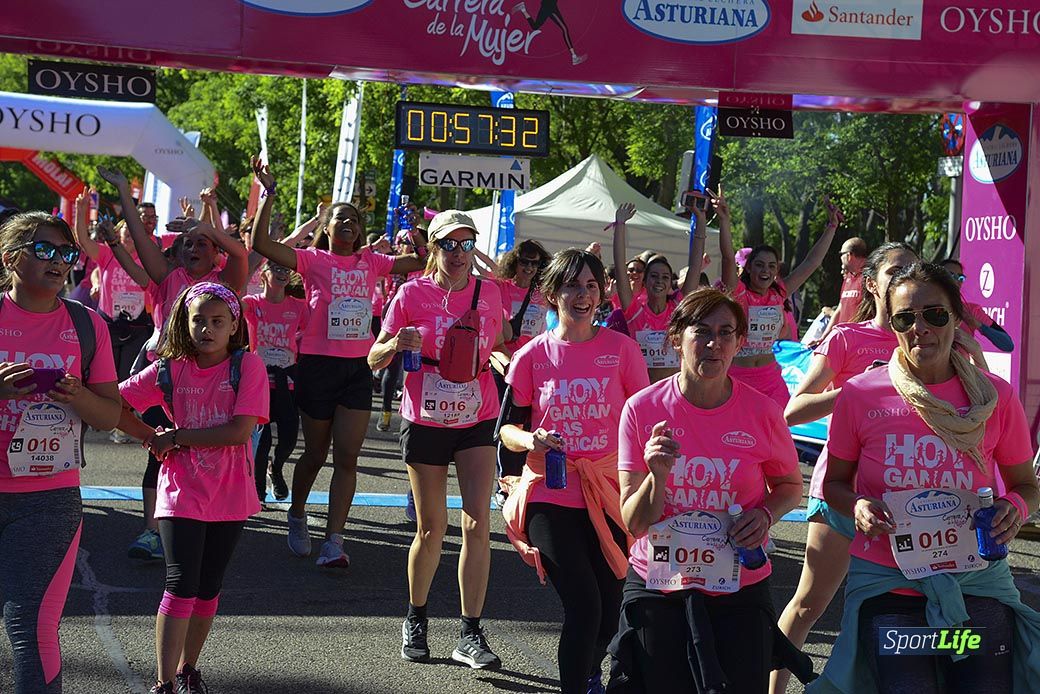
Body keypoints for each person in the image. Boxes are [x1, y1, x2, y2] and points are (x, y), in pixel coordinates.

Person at [813, 261, 1040, 693]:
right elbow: (834, 484)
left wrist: (1016, 507)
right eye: (905, 318)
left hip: (977, 584)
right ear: (892, 324)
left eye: (934, 314)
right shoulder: (861, 393)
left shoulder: (994, 396)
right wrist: (857, 505)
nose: (921, 328)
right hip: (891, 587)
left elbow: (1027, 485)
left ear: (956, 316)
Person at [610, 288, 804, 692]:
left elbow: (788, 486)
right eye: (702, 331)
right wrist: (657, 476)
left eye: (726, 332)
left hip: (739, 584)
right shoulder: (642, 409)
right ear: (676, 337)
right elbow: (634, 522)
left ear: (740, 342)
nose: (714, 344)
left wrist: (765, 515)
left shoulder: (762, 412)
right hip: (659, 582)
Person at [249, 158, 426, 567]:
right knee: (315, 453)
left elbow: (420, 260)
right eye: (339, 219)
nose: (348, 223)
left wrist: (413, 224)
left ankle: (334, 542)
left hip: (357, 369)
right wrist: (269, 194)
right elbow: (261, 244)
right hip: (317, 367)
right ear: (326, 229)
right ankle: (297, 513)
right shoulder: (313, 260)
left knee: (348, 456)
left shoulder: (372, 262)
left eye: (354, 220)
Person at [498, 248, 649, 693]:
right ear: (552, 293)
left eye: (590, 285)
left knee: (610, 604)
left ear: (601, 291)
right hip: (551, 490)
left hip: (609, 492)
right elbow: (506, 429)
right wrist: (532, 441)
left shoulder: (621, 350)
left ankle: (587, 672)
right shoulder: (531, 356)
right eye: (571, 285)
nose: (582, 295)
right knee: (583, 605)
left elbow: (641, 419)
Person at [771, 241, 918, 694]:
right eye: (895, 271)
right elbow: (793, 411)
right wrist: (856, 388)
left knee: (903, 612)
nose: (904, 277)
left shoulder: (927, 335)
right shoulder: (847, 338)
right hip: (842, 490)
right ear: (871, 284)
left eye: (912, 270)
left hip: (905, 495)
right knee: (809, 605)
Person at [369, 210, 506, 669]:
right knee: (431, 529)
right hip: (425, 417)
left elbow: (500, 340)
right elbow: (374, 358)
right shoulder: (411, 294)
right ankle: (417, 617)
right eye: (450, 244)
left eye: (467, 245)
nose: (459, 254)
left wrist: (503, 358)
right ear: (434, 247)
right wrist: (394, 345)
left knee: (477, 525)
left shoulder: (489, 294)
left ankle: (470, 632)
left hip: (477, 416)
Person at [117, 282, 269, 694]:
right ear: (184, 323)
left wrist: (175, 436)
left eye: (218, 321)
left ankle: (188, 669)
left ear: (234, 324)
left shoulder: (248, 366)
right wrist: (151, 436)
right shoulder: (170, 368)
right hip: (181, 490)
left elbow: (239, 432)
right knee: (180, 583)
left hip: (231, 492)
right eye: (198, 320)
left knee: (208, 587)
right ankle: (164, 682)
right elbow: (116, 403)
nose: (207, 329)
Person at [96, 166, 250, 562]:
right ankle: (152, 528)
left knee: (207, 448)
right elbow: (145, 244)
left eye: (203, 244)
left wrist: (208, 224)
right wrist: (122, 194)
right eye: (187, 244)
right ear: (177, 252)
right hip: (166, 375)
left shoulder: (226, 281)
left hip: (215, 379)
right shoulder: (167, 276)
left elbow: (241, 251)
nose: (195, 249)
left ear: (215, 251)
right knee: (161, 447)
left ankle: (207, 518)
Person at [0, 212, 121, 692]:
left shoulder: (87, 325)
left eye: (66, 253)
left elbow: (109, 416)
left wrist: (80, 397)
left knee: (30, 629)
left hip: (49, 499)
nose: (58, 262)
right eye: (43, 250)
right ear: (10, 258)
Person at [720, 192, 842, 407]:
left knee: (777, 432)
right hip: (738, 377)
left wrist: (831, 227)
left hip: (770, 377)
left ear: (777, 270)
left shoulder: (779, 293)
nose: (765, 270)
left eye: (771, 266)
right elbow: (729, 258)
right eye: (759, 265)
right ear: (748, 267)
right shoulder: (737, 293)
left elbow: (812, 262)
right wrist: (724, 219)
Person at [613, 202, 707, 381]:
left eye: (665, 277)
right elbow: (619, 267)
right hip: (641, 391)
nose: (659, 281)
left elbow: (695, 267)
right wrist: (620, 225)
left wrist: (701, 224)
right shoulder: (634, 311)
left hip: (674, 390)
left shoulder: (678, 308)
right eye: (654, 276)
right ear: (645, 281)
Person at [241, 262, 307, 502]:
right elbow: (233, 303)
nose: (281, 273)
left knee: (289, 438)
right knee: (262, 440)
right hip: (259, 382)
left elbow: (312, 331)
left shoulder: (298, 307)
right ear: (264, 274)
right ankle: (257, 491)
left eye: (285, 270)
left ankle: (276, 468)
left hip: (287, 380)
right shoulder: (253, 303)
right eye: (275, 269)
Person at [939, 258, 1014, 353]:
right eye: (951, 275)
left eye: (960, 277)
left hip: (959, 367)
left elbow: (1008, 345)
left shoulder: (971, 310)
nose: (956, 280)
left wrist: (977, 324)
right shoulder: (924, 305)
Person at [809, 236, 868, 348]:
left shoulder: (871, 278)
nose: (840, 257)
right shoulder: (848, 277)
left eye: (841, 253)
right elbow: (840, 309)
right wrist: (824, 337)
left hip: (860, 343)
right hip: (843, 340)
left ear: (849, 255)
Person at [512, 1, 586, 65]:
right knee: (564, 29)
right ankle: (574, 57)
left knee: (535, 26)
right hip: (550, 7)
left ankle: (523, 9)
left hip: (548, 5)